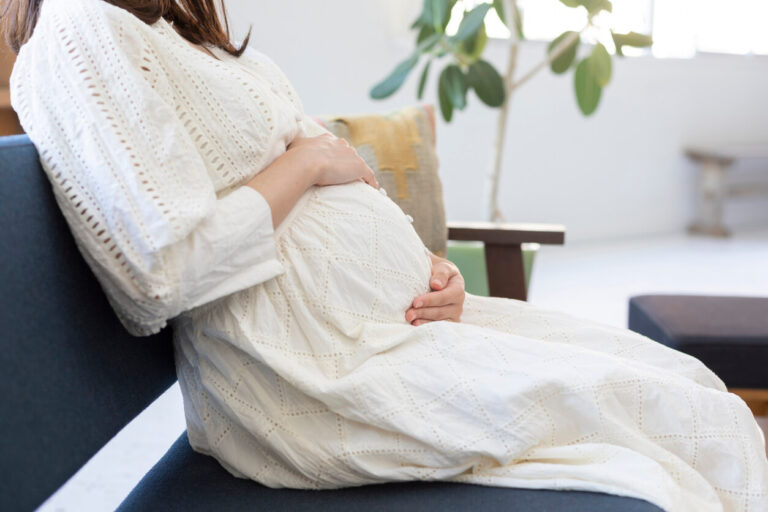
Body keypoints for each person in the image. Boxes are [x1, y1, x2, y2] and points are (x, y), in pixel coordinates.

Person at [5, 0, 767, 510]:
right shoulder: (79, 31)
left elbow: (342, 168)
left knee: (689, 386)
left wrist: (427, 271)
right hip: (309, 373)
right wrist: (304, 166)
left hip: (390, 330)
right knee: (678, 424)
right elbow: (162, 271)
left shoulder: (171, 30)